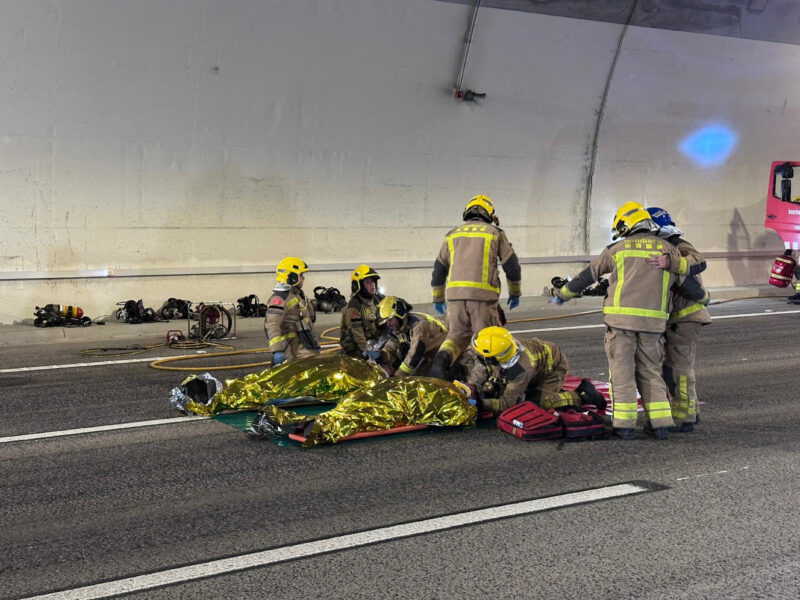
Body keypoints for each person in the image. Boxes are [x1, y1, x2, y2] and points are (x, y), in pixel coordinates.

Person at [552, 201, 709, 440]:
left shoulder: (618, 248)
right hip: (653, 327)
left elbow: (588, 275)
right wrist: (705, 297)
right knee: (651, 373)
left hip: (621, 325)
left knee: (622, 373)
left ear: (626, 224)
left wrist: (563, 295)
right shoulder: (668, 251)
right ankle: (660, 425)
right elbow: (687, 283)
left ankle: (624, 426)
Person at [429, 194, 522, 379]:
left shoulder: (452, 235)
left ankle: (438, 372)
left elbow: (438, 271)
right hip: (482, 299)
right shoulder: (495, 233)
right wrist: (515, 292)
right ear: (489, 214)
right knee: (489, 343)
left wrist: (438, 298)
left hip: (455, 301)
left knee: (454, 339)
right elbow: (512, 266)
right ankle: (491, 388)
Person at [647, 206, 711, 432]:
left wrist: (669, 262)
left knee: (680, 369)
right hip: (678, 318)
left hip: (686, 318)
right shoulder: (667, 246)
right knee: (671, 367)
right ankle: (690, 411)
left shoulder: (679, 246)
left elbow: (698, 262)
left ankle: (684, 417)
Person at [465, 326, 607, 414]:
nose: (475, 355)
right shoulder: (501, 347)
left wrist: (481, 404)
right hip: (532, 367)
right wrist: (472, 386)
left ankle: (582, 394)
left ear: (495, 358)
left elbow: (508, 404)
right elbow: (481, 368)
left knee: (539, 405)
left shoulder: (518, 369)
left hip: (551, 369)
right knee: (490, 390)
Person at [368, 295, 448, 376]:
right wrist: (381, 355)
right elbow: (391, 348)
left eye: (390, 320)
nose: (388, 325)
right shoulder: (400, 328)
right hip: (432, 360)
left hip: (449, 360)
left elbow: (413, 357)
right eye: (385, 322)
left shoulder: (419, 326)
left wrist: (397, 378)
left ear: (399, 314)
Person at [264, 256, 319, 365]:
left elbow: (307, 319)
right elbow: (272, 324)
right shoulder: (279, 298)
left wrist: (314, 344)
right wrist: (277, 350)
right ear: (292, 276)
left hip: (305, 346)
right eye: (301, 275)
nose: (303, 278)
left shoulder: (297, 294)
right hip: (292, 350)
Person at [339, 265, 383, 358]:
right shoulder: (355, 306)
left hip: (373, 344)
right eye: (368, 282)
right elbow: (357, 335)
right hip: (357, 350)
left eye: (373, 281)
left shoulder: (377, 301)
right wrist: (367, 354)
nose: (372, 285)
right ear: (359, 285)